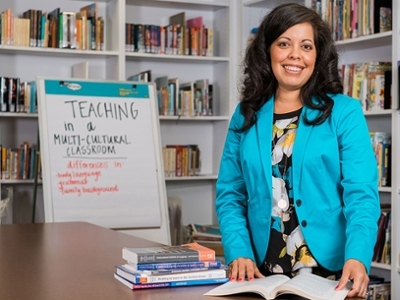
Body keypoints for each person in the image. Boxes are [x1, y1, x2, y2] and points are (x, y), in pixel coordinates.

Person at [215, 3, 380, 299]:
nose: (295, 55)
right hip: (260, 274)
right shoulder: (245, 114)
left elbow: (361, 194)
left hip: (330, 275)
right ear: (268, 50)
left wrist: (357, 257)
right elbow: (230, 193)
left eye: (306, 46)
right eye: (284, 43)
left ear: (317, 56)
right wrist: (238, 252)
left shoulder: (344, 112)